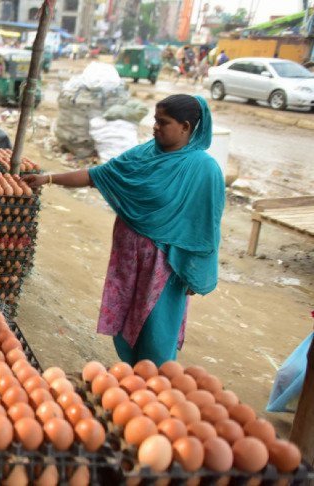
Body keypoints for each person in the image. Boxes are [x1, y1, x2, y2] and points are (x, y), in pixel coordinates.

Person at [24, 94, 224, 366]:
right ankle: (135, 380)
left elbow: (206, 227)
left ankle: (153, 388)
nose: (155, 127)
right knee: (130, 322)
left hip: (165, 266)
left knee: (157, 329)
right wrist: (48, 178)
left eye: (163, 122)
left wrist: (196, 272)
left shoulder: (204, 169)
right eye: (155, 120)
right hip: (130, 263)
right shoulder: (142, 155)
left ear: (186, 127)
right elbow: (97, 175)